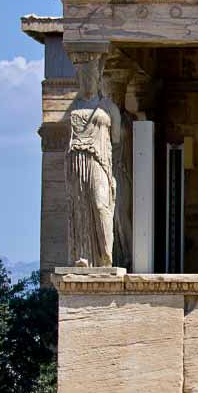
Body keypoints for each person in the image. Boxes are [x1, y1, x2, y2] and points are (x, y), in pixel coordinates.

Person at [66, 54, 121, 267]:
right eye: (83, 78)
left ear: (98, 80)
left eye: (91, 78)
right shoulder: (75, 106)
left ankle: (105, 256)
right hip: (77, 161)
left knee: (100, 204)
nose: (87, 82)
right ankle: (85, 256)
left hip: (99, 161)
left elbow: (116, 138)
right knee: (80, 206)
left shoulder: (109, 107)